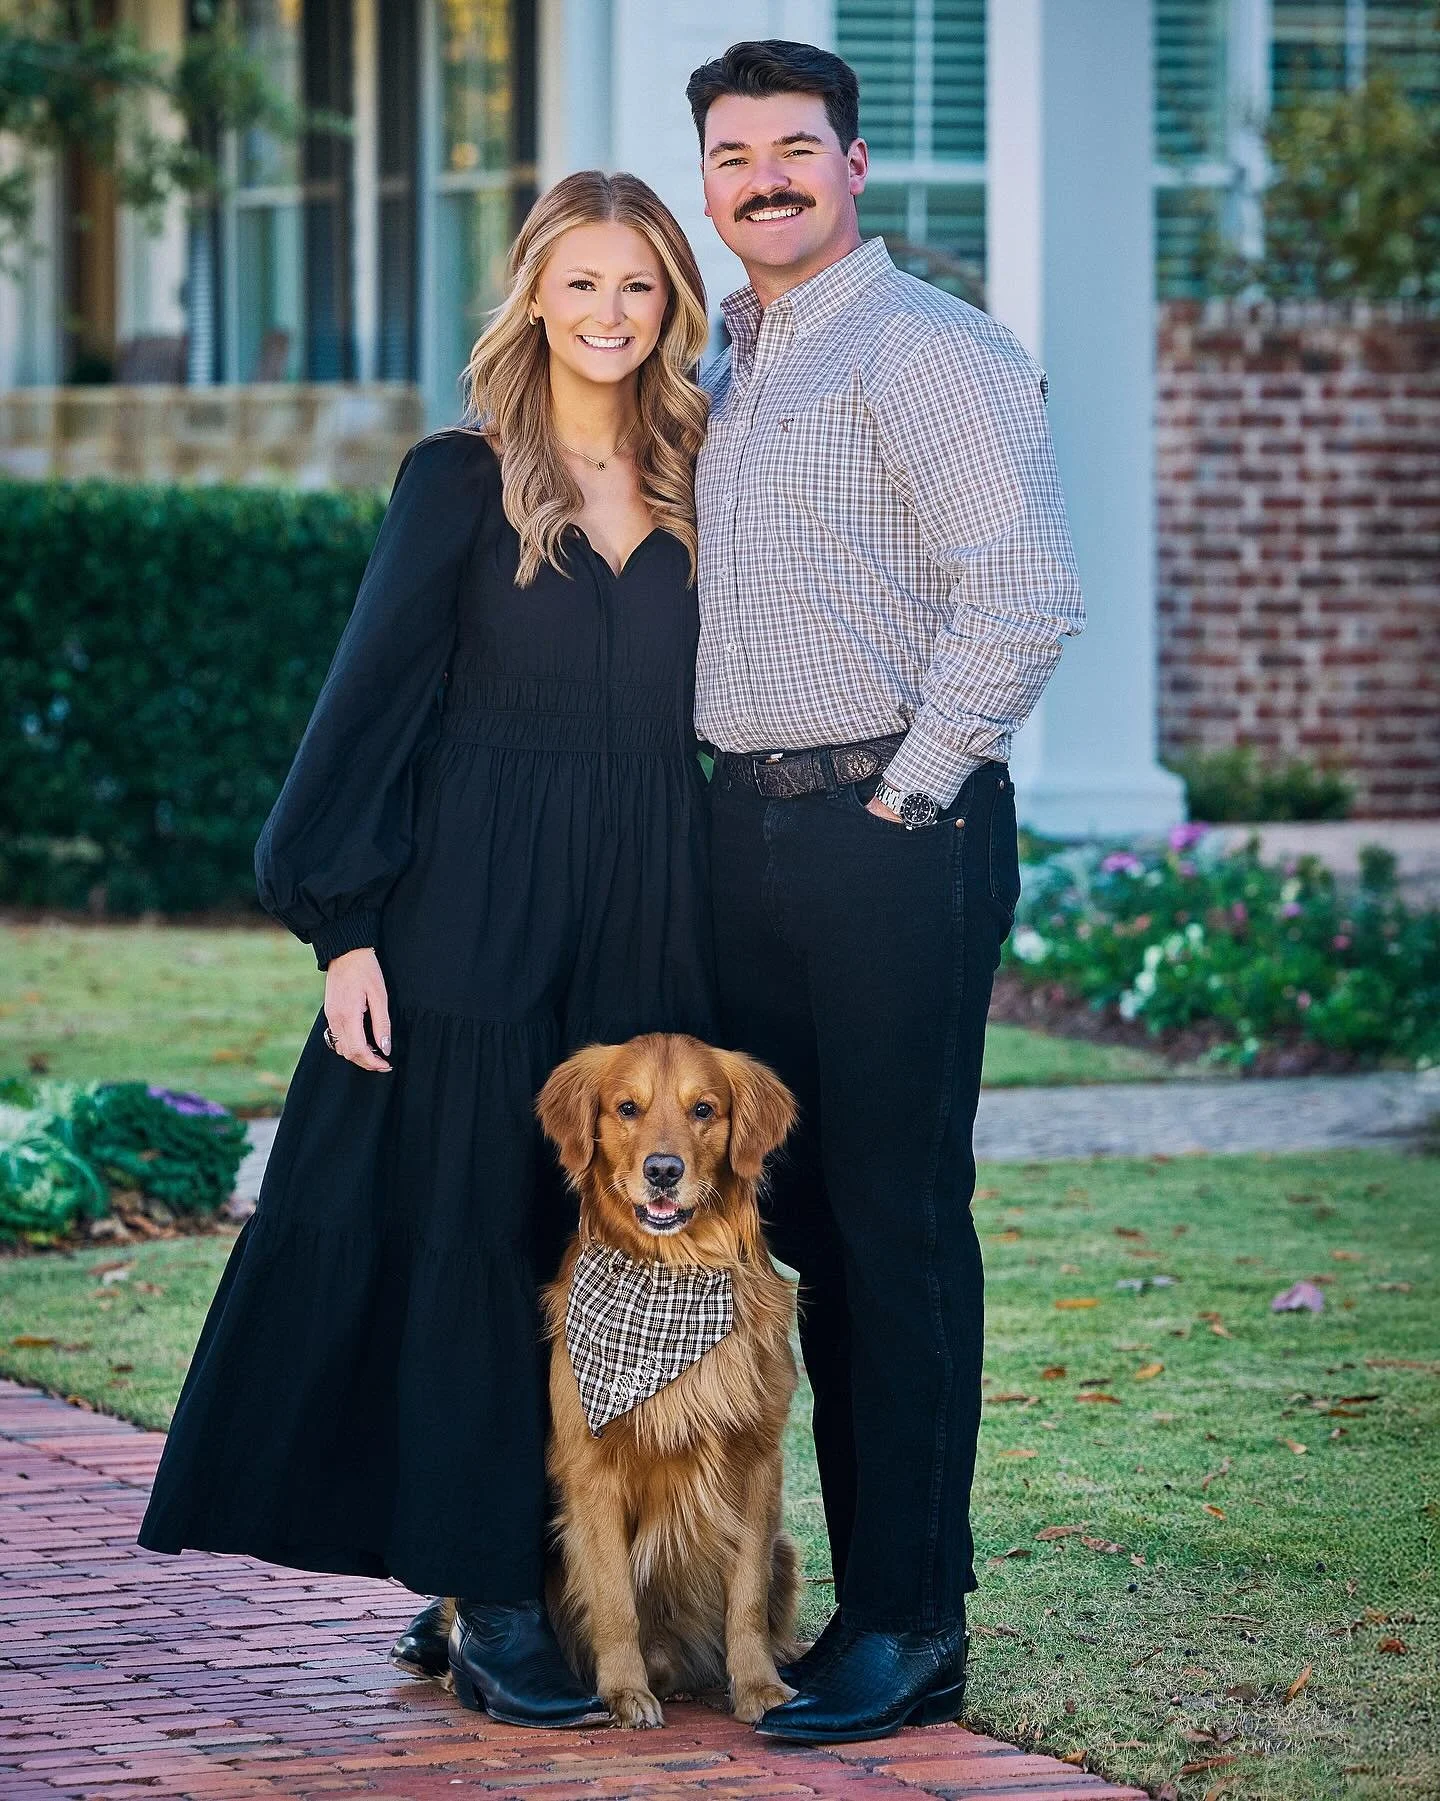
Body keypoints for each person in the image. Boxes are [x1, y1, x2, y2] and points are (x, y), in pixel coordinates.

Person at [137, 170, 717, 1728]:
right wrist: (342, 931)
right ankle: (495, 1592)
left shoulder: (707, 469)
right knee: (468, 1237)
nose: (608, 313)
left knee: (608, 1259)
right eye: (581, 281)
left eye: (640, 287)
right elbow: (369, 707)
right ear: (532, 293)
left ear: (674, 307)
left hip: (647, 909)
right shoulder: (460, 479)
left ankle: (585, 1567)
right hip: (473, 910)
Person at [686, 40, 1086, 1744]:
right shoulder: (734, 348)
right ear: (707, 179)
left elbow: (1027, 595)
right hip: (744, 837)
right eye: (733, 153)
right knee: (788, 1226)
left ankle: (914, 1620)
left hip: (887, 829)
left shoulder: (931, 352)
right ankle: (744, 1584)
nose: (764, 176)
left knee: (896, 1226)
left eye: (795, 147)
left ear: (857, 166)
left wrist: (907, 802)